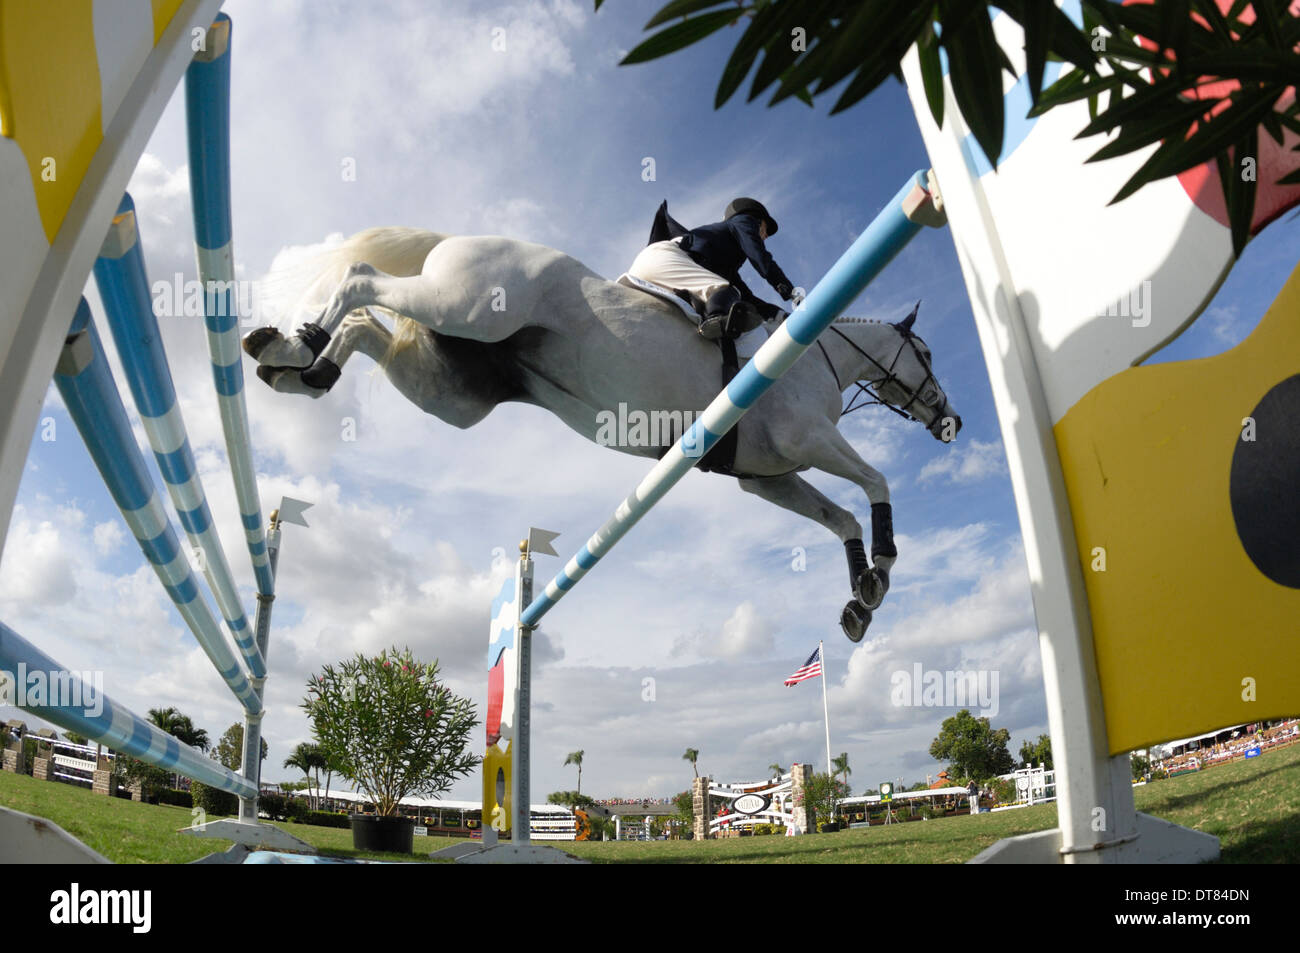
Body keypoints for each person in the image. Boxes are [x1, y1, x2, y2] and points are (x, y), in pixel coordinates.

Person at [628, 197, 801, 341]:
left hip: (649, 265)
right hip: (667, 259)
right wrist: (791, 293)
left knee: (734, 296)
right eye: (765, 229)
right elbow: (760, 257)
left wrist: (779, 315)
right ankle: (715, 321)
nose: (765, 236)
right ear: (756, 219)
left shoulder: (723, 263)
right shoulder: (745, 220)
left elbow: (746, 296)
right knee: (725, 293)